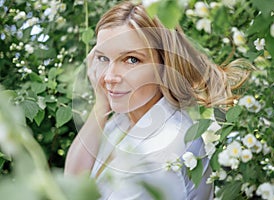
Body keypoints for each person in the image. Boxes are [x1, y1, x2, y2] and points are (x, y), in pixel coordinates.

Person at [65, 1, 251, 199]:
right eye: (103, 58)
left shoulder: (159, 153)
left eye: (131, 60)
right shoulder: (130, 116)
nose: (109, 77)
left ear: (164, 63)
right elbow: (73, 184)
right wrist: (101, 105)